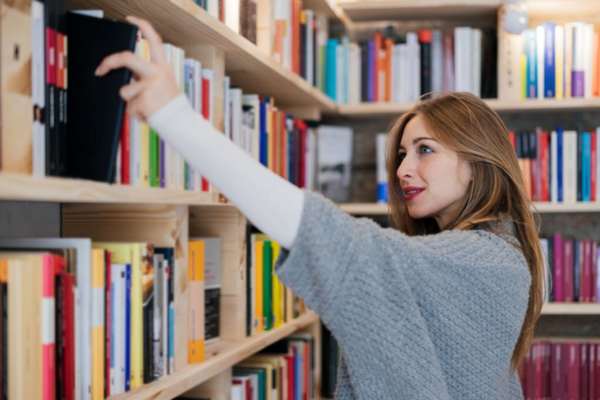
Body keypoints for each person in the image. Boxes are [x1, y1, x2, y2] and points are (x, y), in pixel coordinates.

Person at [96, 17, 544, 399]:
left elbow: (340, 244)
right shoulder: (479, 254)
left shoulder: (490, 262)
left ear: (477, 160)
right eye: (402, 154)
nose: (404, 169)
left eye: (425, 150)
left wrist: (176, 118)